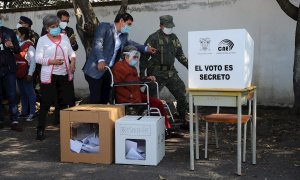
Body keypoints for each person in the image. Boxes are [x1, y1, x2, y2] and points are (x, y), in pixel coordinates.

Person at [83, 12, 156, 104]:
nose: (129, 27)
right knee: (96, 99)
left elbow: (131, 43)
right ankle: (90, 117)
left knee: (105, 98)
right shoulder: (104, 27)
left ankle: (101, 117)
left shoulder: (124, 35)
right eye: (128, 24)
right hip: (95, 69)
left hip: (108, 71)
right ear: (121, 21)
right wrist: (101, 60)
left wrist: (146, 48)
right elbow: (98, 43)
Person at [140, 15, 188, 125]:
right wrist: (142, 74)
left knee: (181, 93)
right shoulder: (153, 38)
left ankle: (182, 119)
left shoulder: (174, 38)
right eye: (167, 26)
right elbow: (144, 56)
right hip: (156, 73)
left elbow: (180, 55)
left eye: (171, 26)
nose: (169, 28)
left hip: (171, 72)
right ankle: (144, 119)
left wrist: (190, 66)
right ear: (161, 25)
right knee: (150, 98)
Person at [35, 14, 76, 140]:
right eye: (53, 26)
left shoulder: (64, 37)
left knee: (66, 102)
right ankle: (40, 130)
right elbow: (38, 58)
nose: (56, 28)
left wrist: (72, 63)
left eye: (57, 26)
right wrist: (52, 61)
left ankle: (66, 130)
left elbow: (71, 53)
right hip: (50, 76)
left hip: (65, 75)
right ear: (47, 28)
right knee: (46, 103)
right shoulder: (42, 40)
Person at [112, 45, 171, 129]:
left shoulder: (132, 68)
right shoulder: (119, 66)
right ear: (126, 56)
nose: (136, 59)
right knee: (157, 103)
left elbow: (136, 81)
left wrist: (146, 78)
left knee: (157, 102)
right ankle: (165, 127)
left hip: (136, 95)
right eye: (134, 56)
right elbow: (118, 85)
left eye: (137, 57)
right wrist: (130, 96)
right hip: (128, 98)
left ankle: (165, 127)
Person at [41, 10, 79, 124]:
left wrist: (72, 43)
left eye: (67, 21)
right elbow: (43, 46)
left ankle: (70, 118)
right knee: (54, 95)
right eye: (63, 21)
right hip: (51, 68)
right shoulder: (46, 31)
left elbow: (74, 48)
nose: (65, 23)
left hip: (66, 68)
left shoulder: (69, 30)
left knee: (68, 95)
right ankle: (57, 118)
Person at [0, 16, 22, 131]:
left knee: (12, 95)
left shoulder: (8, 32)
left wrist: (12, 46)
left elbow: (18, 49)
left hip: (9, 69)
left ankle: (14, 120)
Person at [15, 27, 37, 122]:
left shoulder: (29, 46)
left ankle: (32, 112)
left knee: (30, 93)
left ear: (23, 35)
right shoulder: (19, 44)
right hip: (19, 71)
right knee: (22, 93)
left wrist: (30, 74)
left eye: (18, 33)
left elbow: (33, 61)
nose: (17, 35)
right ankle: (24, 112)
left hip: (26, 71)